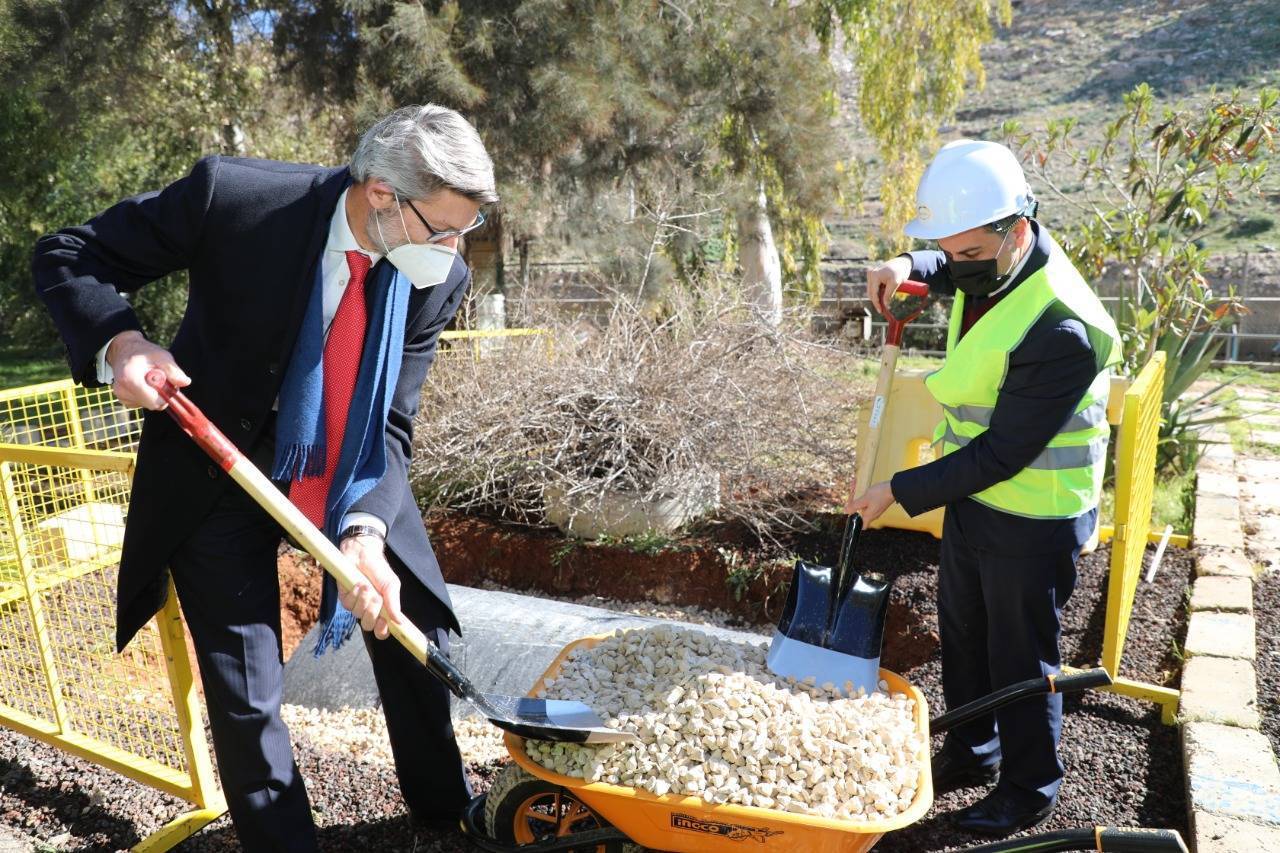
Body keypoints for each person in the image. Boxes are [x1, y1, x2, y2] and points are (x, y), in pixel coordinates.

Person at [32, 104, 498, 851]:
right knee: (246, 694)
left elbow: (391, 421)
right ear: (381, 194)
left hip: (351, 459)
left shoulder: (438, 278)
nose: (453, 250)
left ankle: (447, 813)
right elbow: (69, 253)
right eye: (441, 228)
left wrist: (365, 530)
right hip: (218, 460)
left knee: (413, 622)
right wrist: (121, 342)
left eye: (465, 229)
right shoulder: (237, 199)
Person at [847, 140, 1121, 836]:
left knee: (1020, 655)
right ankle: (973, 749)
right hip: (975, 498)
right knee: (964, 632)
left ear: (1017, 230)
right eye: (946, 248)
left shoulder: (1061, 327)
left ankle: (1029, 788)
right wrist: (907, 264)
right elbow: (951, 262)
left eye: (966, 251)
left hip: (1034, 513)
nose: (955, 263)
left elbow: (1002, 453)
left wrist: (897, 488)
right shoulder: (992, 260)